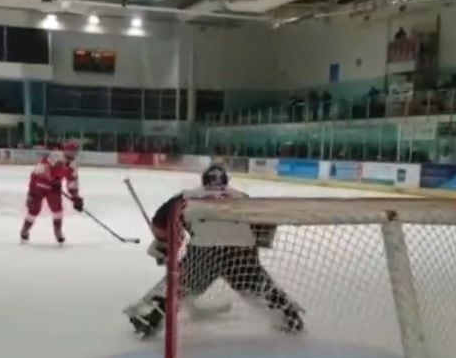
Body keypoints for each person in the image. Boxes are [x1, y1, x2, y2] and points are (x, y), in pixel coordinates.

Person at [123, 163, 304, 338]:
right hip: (242, 252)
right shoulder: (241, 196)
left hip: (204, 252)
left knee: (177, 287)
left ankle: (148, 319)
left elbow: (160, 223)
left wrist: (165, 243)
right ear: (225, 181)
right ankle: (289, 318)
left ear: (203, 181)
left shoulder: (186, 196)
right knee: (258, 285)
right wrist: (254, 249)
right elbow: (263, 225)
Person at [20, 140, 83, 244]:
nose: (74, 153)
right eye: (72, 150)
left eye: (76, 151)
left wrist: (75, 197)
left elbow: (72, 181)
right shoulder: (55, 156)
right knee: (34, 210)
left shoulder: (73, 165)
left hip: (53, 188)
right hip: (38, 185)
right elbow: (42, 169)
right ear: (65, 150)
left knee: (58, 210)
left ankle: (58, 231)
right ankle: (25, 230)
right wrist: (50, 180)